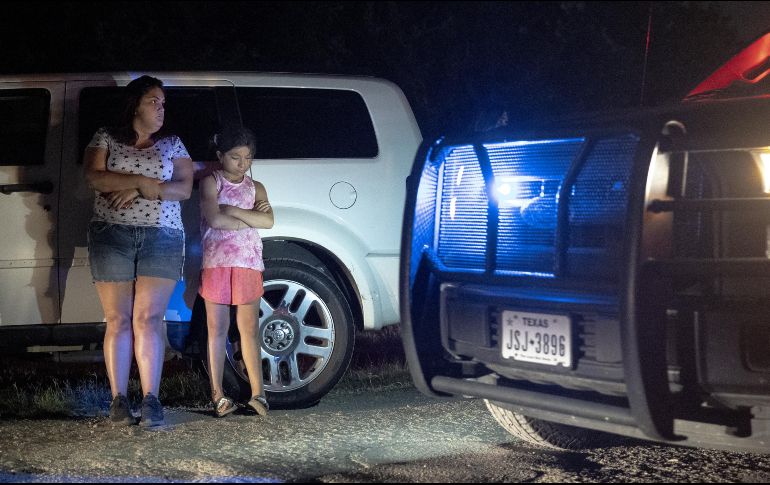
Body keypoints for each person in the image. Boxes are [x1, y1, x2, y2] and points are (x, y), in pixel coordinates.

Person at [83, 75, 193, 427]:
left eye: (163, 104)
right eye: (153, 102)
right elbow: (96, 178)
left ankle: (151, 399)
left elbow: (184, 188)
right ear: (135, 104)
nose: (161, 109)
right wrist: (142, 183)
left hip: (161, 236)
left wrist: (142, 190)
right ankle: (118, 400)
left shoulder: (173, 143)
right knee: (118, 319)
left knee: (148, 319)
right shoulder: (106, 137)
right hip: (111, 234)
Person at [198, 126, 274, 418]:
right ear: (220, 155)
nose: (242, 163)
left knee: (249, 330)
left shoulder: (256, 187)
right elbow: (215, 219)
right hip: (217, 262)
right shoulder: (211, 181)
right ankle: (217, 394)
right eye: (235, 157)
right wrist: (249, 219)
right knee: (217, 330)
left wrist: (235, 210)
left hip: (248, 262)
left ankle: (259, 394)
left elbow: (269, 221)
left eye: (247, 157)